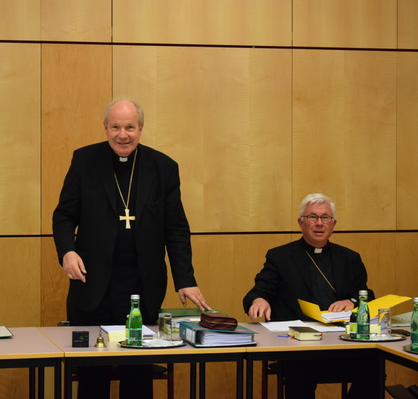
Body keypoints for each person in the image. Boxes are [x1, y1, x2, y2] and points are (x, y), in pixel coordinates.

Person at [53, 98, 210, 399]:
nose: (122, 135)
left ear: (141, 129)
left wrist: (185, 279)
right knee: (92, 376)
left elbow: (176, 228)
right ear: (105, 128)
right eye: (115, 127)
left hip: (141, 288)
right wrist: (67, 251)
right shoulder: (84, 161)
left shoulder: (163, 167)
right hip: (92, 284)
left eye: (129, 127)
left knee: (137, 375)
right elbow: (63, 216)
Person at [243, 193, 377, 399]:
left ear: (333, 224)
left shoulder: (349, 258)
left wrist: (350, 301)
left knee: (374, 366)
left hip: (342, 342)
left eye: (325, 218)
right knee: (301, 373)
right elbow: (259, 290)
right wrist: (258, 299)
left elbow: (365, 294)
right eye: (312, 217)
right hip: (299, 345)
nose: (319, 223)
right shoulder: (281, 256)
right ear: (301, 223)